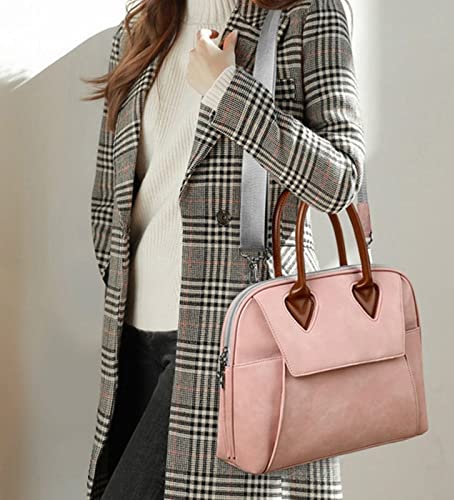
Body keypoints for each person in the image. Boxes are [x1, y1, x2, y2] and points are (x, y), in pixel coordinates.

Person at [82, 0, 366, 498]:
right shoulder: (141, 30)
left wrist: (229, 91)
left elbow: (341, 180)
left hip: (234, 338)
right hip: (132, 337)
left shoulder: (308, 13)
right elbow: (111, 192)